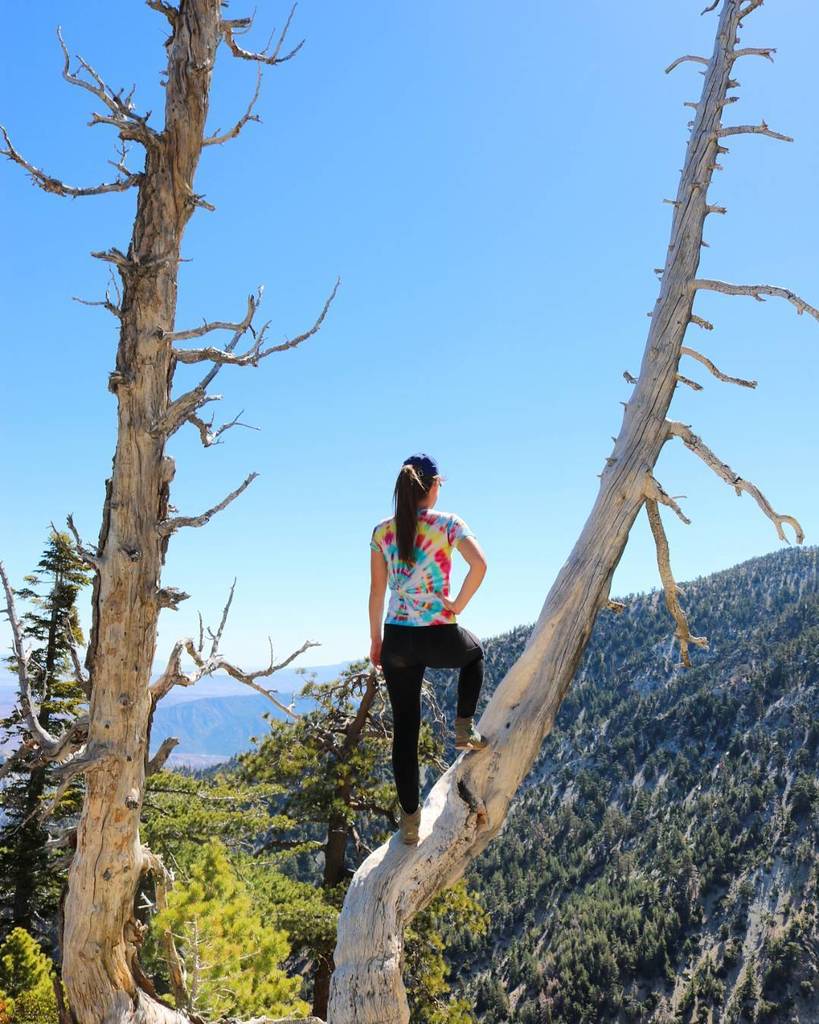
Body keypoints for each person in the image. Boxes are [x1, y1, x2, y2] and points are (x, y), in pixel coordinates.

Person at [369, 452, 489, 845]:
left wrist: (376, 641)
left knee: (405, 732)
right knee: (474, 654)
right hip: (437, 633)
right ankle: (463, 727)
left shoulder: (382, 532)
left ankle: (409, 823)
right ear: (433, 486)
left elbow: (376, 591)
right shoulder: (449, 524)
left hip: (397, 639)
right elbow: (480, 566)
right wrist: (458, 605)